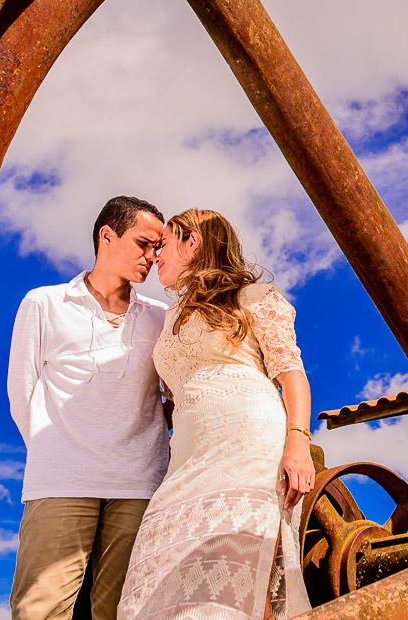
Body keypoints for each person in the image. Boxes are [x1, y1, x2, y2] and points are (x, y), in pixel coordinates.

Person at [118, 209, 314, 620]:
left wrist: (298, 441)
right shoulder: (170, 315)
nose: (155, 255)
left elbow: (291, 372)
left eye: (163, 244)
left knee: (239, 573)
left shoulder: (253, 298)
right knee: (153, 580)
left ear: (192, 242)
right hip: (187, 457)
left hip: (249, 443)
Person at [8, 196, 171, 620]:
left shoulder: (161, 317)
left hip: (139, 484)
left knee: (125, 611)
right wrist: (55, 454)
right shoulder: (44, 303)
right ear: (107, 236)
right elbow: (21, 392)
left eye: (158, 248)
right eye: (143, 243)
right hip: (61, 480)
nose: (152, 256)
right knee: (40, 610)